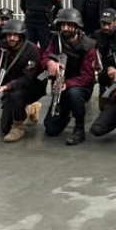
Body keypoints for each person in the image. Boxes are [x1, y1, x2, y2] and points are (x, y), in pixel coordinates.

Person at [39, 8, 97, 146]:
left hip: (79, 87)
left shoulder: (88, 46)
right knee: (50, 129)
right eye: (62, 25)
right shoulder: (55, 40)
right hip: (60, 88)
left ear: (77, 26)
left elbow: (87, 76)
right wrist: (49, 62)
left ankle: (79, 128)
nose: (64, 28)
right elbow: (44, 56)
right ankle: (67, 111)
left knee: (74, 94)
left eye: (69, 25)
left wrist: (67, 84)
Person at [0, 19, 46, 142]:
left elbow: (28, 78)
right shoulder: (2, 46)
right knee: (4, 128)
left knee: (16, 95)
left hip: (32, 86)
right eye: (8, 35)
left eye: (15, 35)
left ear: (22, 35)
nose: (11, 38)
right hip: (11, 85)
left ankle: (18, 127)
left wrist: (6, 87)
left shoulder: (32, 50)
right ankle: (30, 110)